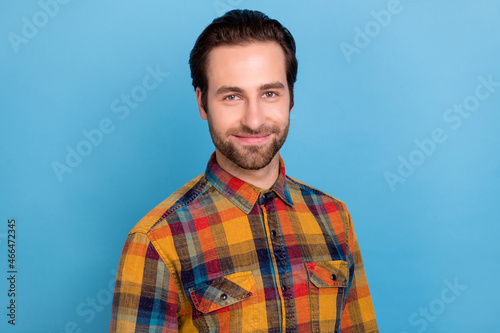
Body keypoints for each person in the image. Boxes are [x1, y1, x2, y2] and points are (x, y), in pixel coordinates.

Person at [110, 9, 378, 332]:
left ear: (290, 98)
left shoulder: (335, 218)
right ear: (202, 103)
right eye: (232, 96)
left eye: (269, 93)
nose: (253, 120)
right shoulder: (156, 242)